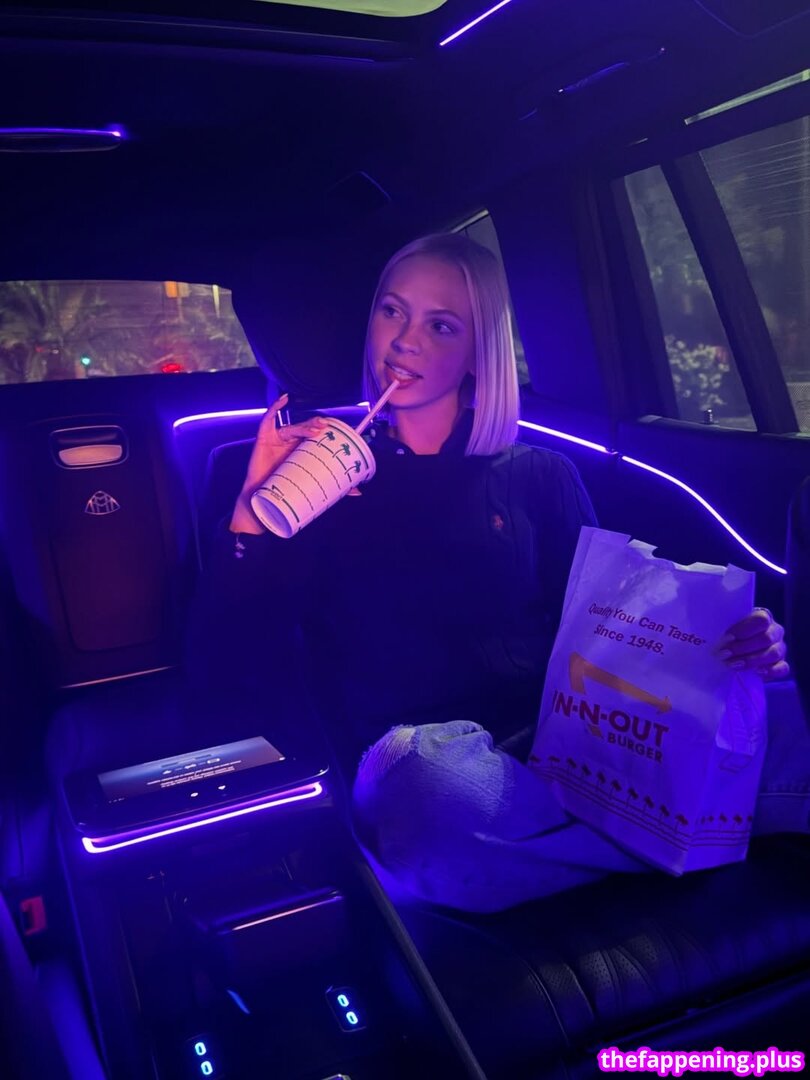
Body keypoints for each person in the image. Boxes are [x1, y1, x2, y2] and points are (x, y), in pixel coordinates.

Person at [188, 232, 795, 913]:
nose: (404, 341)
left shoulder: (540, 474)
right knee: (421, 787)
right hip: (443, 771)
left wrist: (724, 645)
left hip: (571, 747)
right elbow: (225, 667)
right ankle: (681, 829)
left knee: (791, 707)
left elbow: (614, 636)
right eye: (393, 311)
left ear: (479, 354)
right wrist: (251, 516)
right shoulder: (311, 487)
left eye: (441, 325)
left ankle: (619, 839)